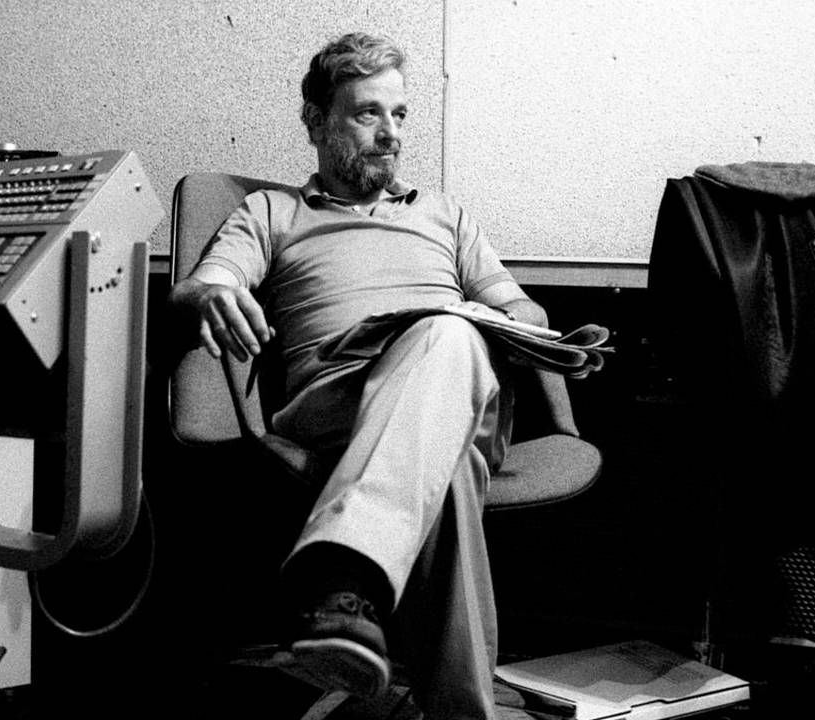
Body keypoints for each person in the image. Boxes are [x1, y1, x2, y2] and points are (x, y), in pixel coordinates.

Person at [169, 31, 577, 719]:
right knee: (441, 472)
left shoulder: (444, 215)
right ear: (316, 120)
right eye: (367, 114)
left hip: (459, 385)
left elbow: (519, 307)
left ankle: (346, 580)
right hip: (335, 403)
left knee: (447, 332)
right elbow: (206, 282)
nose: (390, 134)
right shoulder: (271, 212)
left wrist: (512, 319)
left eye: (400, 116)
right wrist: (211, 292)